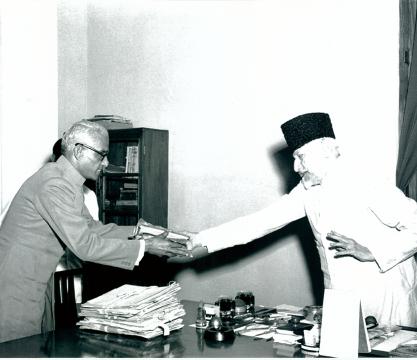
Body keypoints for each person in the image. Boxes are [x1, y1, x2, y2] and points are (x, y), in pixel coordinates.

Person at [187, 112, 417, 328]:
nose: (296, 167)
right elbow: (260, 222)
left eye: (300, 157)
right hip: (341, 298)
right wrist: (199, 239)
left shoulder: (364, 179)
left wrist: (373, 251)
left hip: (386, 295)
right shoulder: (308, 189)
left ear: (324, 151)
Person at [0, 120, 189, 343]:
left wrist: (141, 231)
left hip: (35, 282)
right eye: (102, 155)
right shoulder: (54, 184)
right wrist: (145, 247)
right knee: (19, 350)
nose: (106, 163)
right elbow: (85, 246)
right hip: (16, 286)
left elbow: (92, 228)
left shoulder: (65, 181)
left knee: (35, 348)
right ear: (78, 151)